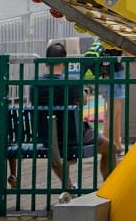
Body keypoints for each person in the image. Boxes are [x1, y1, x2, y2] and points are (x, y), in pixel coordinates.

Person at [33, 42, 84, 202]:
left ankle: (69, 185)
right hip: (72, 135)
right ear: (64, 60)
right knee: (108, 146)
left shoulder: (36, 83)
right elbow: (82, 101)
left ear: (46, 61)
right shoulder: (70, 81)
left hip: (45, 135)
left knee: (55, 154)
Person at [85, 39, 128, 178]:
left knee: (116, 113)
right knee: (112, 114)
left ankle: (117, 145)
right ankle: (108, 147)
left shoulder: (103, 35)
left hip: (106, 73)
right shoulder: (116, 36)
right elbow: (127, 49)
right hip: (114, 73)